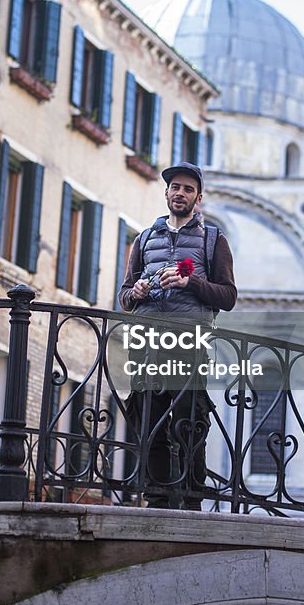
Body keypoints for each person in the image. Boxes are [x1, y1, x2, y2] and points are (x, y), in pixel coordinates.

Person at [118, 161, 237, 510]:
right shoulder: (143, 239)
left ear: (197, 198)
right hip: (147, 341)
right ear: (167, 193)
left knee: (189, 420)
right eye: (175, 188)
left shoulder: (213, 240)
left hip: (189, 341)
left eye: (188, 189)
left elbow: (228, 297)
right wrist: (136, 292)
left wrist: (191, 282)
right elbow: (124, 298)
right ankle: (156, 497)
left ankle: (191, 498)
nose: (180, 193)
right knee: (148, 419)